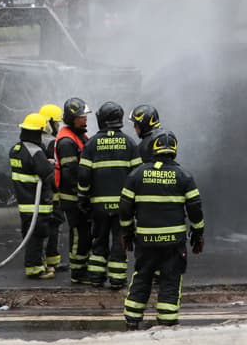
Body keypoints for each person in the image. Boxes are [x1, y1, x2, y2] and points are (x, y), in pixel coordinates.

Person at [120, 130, 205, 329]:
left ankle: (132, 320)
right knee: (170, 279)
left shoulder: (137, 174)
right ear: (174, 149)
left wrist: (127, 232)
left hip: (146, 241)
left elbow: (124, 206)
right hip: (173, 243)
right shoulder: (184, 176)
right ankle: (167, 322)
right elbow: (195, 208)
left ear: (153, 148)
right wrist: (198, 233)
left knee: (142, 276)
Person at [78, 101, 141, 288]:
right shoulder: (130, 143)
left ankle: (96, 278)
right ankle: (117, 279)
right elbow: (138, 175)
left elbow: (83, 174)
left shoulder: (91, 144)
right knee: (120, 240)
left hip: (98, 206)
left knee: (99, 240)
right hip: (123, 206)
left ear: (102, 120)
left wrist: (83, 197)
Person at [10, 113, 56, 279]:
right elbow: (48, 174)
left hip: (24, 202)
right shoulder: (36, 151)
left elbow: (29, 168)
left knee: (30, 234)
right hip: (37, 203)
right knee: (37, 235)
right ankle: (35, 269)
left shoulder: (16, 149)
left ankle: (37, 264)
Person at [56, 97, 93, 284]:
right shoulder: (66, 142)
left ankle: (82, 267)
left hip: (79, 195)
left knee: (85, 232)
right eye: (81, 116)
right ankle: (78, 273)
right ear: (72, 118)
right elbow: (71, 174)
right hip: (73, 197)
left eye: (85, 115)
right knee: (79, 233)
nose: (85, 119)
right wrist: (81, 195)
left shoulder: (79, 135)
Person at [39, 103, 67, 273]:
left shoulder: (36, 140)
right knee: (53, 226)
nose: (58, 126)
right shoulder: (50, 143)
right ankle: (50, 262)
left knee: (44, 228)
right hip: (51, 194)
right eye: (56, 123)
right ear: (49, 122)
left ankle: (48, 261)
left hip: (40, 194)